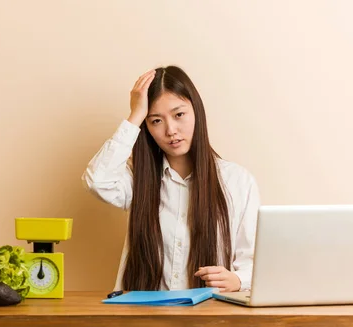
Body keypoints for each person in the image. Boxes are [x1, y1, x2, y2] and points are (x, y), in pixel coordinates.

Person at [82, 66, 260, 293]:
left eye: (179, 115)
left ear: (196, 111)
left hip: (210, 317)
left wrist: (237, 280)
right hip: (142, 317)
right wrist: (135, 115)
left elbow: (253, 262)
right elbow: (97, 181)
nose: (171, 130)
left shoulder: (238, 182)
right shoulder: (138, 179)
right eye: (156, 121)